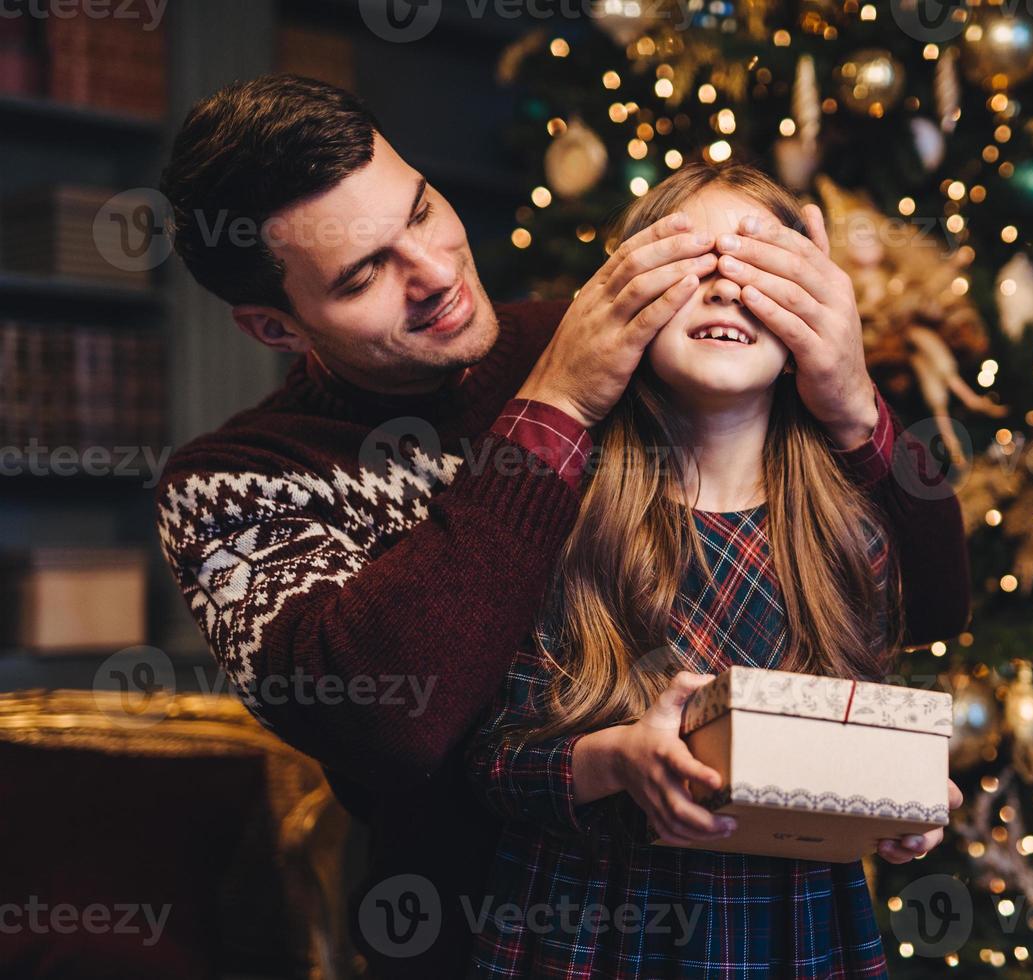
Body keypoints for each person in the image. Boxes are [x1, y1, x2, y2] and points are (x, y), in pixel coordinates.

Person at [154, 74, 969, 976]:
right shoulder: (230, 485)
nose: (433, 274)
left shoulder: (625, 337)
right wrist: (557, 405)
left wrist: (854, 402)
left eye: (421, 212)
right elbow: (392, 725)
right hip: (488, 939)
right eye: (363, 274)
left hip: (766, 915)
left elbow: (929, 599)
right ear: (275, 326)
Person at [465, 163, 958, 978]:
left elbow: (857, 739)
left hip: (793, 931)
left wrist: (902, 803)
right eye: (695, 266)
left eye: (763, 270)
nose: (728, 290)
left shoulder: (851, 533)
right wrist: (618, 758)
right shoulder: (559, 511)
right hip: (590, 928)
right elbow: (488, 763)